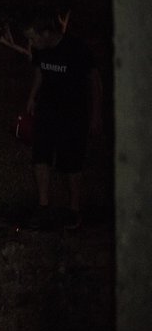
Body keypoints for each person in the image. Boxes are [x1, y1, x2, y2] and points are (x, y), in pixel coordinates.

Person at [24, 13, 103, 230]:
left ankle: (74, 211)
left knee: (71, 163)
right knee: (40, 156)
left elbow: (94, 81)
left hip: (73, 113)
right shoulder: (42, 51)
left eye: (33, 38)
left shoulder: (76, 48)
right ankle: (43, 207)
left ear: (46, 33)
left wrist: (96, 114)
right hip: (46, 110)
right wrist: (32, 97)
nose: (31, 43)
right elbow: (40, 72)